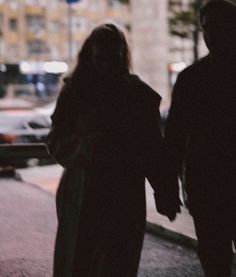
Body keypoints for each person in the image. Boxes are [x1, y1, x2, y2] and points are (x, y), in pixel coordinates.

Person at [46, 23, 180, 277]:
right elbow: (55, 139)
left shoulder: (138, 96)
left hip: (111, 195)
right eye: (101, 59)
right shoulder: (75, 93)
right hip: (90, 193)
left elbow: (152, 149)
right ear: (91, 56)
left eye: (113, 58)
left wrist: (166, 192)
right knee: (88, 261)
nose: (107, 66)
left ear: (122, 56)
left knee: (104, 261)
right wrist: (86, 146)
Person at [164, 1, 236, 276]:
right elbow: (175, 138)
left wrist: (168, 189)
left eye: (218, 27)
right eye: (208, 28)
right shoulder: (190, 78)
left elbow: (174, 139)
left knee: (214, 260)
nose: (212, 34)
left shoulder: (191, 78)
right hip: (207, 188)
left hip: (206, 186)